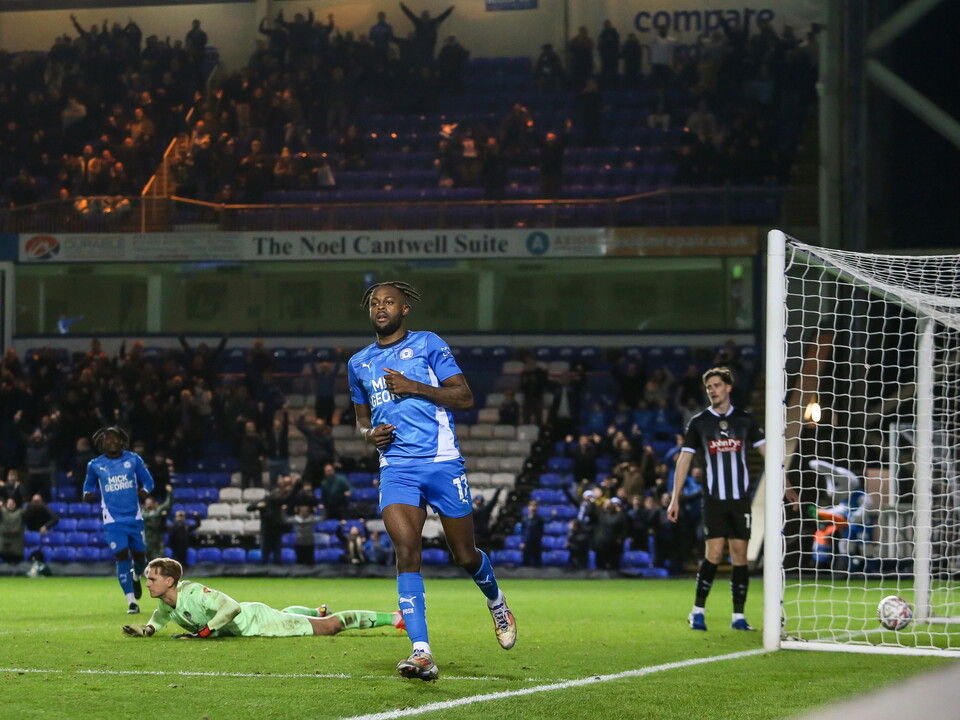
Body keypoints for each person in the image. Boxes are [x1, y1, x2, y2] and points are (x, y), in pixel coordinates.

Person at [348, 281, 516, 681]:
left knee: (465, 555)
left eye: (389, 302)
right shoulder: (359, 362)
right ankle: (421, 651)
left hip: (442, 463)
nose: (381, 308)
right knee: (407, 551)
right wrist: (369, 436)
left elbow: (464, 397)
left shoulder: (428, 343)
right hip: (397, 467)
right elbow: (360, 421)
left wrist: (414, 387)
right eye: (375, 303)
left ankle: (496, 601)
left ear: (405, 308)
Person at [667, 367, 796, 631]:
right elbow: (684, 460)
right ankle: (697, 611)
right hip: (714, 499)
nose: (712, 390)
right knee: (713, 554)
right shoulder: (699, 422)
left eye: (716, 385)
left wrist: (787, 485)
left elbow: (769, 455)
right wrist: (674, 498)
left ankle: (738, 616)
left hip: (739, 500)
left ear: (728, 387)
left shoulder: (745, 420)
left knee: (740, 555)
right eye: (708, 387)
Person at [121, 557, 405, 639]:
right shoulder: (167, 602)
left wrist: (204, 632)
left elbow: (231, 608)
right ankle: (314, 610)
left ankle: (394, 618)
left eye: (152, 579)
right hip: (252, 617)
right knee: (287, 613)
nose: (147, 583)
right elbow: (160, 617)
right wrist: (147, 630)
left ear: (169, 581)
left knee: (329, 627)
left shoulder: (194, 593)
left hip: (258, 622)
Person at [83, 426, 155, 614]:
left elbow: (149, 481)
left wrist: (145, 491)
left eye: (115, 438)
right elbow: (88, 486)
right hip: (112, 520)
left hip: (134, 518)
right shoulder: (95, 465)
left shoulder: (133, 459)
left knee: (140, 559)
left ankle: (136, 575)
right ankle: (131, 602)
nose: (112, 441)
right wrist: (87, 494)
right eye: (108, 438)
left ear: (122, 440)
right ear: (102, 442)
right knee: (121, 556)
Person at [142, 485, 174, 560]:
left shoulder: (158, 510)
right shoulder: (143, 513)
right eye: (147, 503)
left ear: (154, 504)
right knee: (145, 561)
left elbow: (168, 504)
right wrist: (157, 514)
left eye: (150, 503)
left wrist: (170, 493)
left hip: (158, 541)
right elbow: (146, 516)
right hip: (146, 541)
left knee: (159, 560)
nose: (148, 505)